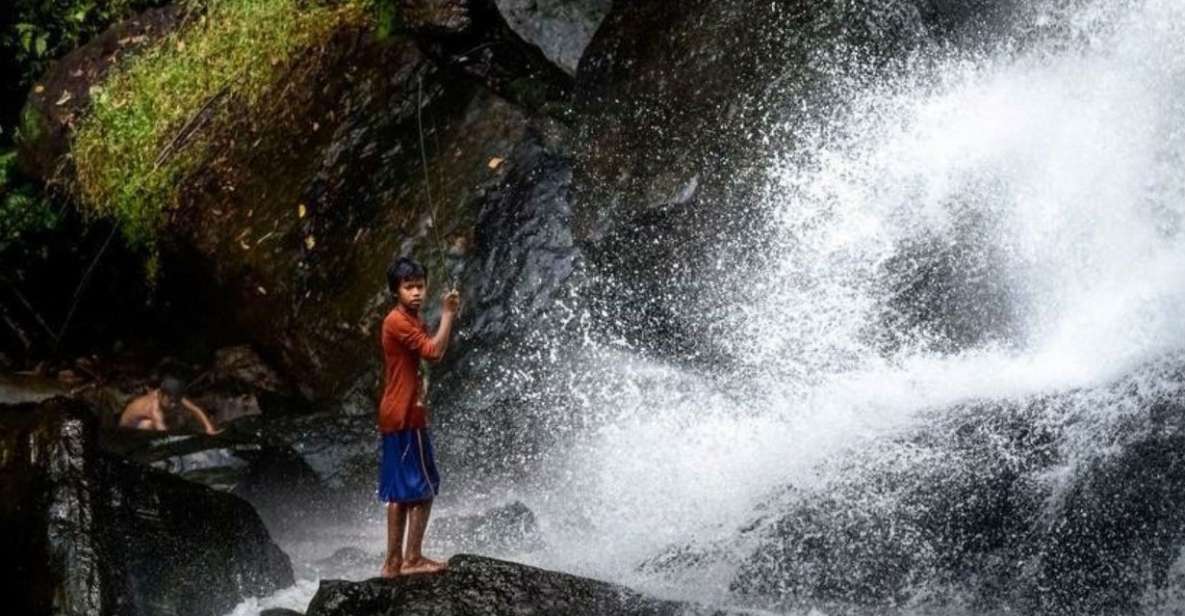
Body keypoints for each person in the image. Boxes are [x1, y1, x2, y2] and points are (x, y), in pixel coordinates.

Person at [378, 256, 460, 577]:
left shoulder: (407, 319)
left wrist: (444, 316)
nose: (416, 293)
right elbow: (434, 352)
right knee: (423, 487)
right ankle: (407, 559)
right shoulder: (397, 322)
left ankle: (396, 562)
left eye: (420, 286)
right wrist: (448, 315)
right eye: (408, 287)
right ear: (395, 291)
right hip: (405, 415)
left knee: (402, 491)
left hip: (399, 412)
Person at [118, 376, 221, 435]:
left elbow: (196, 409)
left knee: (178, 415)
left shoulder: (173, 395)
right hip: (128, 430)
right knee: (151, 424)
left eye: (176, 401)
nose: (174, 405)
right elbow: (164, 436)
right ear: (161, 395)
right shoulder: (154, 409)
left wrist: (209, 428)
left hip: (143, 421)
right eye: (171, 402)